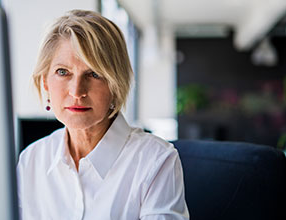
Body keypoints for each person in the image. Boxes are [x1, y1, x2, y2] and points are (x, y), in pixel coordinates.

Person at [16, 9, 189, 220]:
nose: (77, 91)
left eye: (94, 74)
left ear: (116, 85)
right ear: (45, 81)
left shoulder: (156, 161)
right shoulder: (31, 160)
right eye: (63, 72)